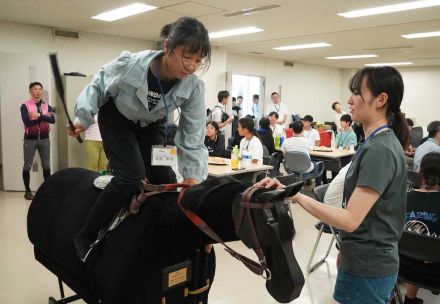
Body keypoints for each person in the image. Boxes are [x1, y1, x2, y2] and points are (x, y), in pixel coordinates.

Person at [69, 17, 212, 261]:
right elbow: (98, 84)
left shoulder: (194, 87)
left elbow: (192, 135)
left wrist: (192, 175)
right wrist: (83, 117)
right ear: (167, 47)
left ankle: (152, 230)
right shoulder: (131, 65)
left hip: (151, 124)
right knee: (130, 178)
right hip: (117, 118)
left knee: (165, 180)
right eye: (186, 57)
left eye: (198, 61)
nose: (191, 66)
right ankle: (86, 234)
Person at [266, 66, 410, 303]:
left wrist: (298, 197)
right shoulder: (374, 142)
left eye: (356, 93)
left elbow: (350, 219)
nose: (349, 100)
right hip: (362, 259)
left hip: (368, 265)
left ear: (381, 99)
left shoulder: (380, 150)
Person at [402, 152, 440, 304]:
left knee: (415, 246)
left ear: (420, 173)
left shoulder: (403, 199)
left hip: (402, 268)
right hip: (436, 275)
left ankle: (409, 298)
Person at [20, 82, 55, 200]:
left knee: (46, 165)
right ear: (30, 91)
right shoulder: (25, 106)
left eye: (40, 89)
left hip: (45, 139)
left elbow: (53, 120)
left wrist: (38, 115)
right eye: (35, 89)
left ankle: (48, 190)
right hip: (30, 140)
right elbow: (28, 123)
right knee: (27, 165)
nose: (38, 91)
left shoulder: (46, 105)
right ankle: (27, 191)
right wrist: (44, 117)